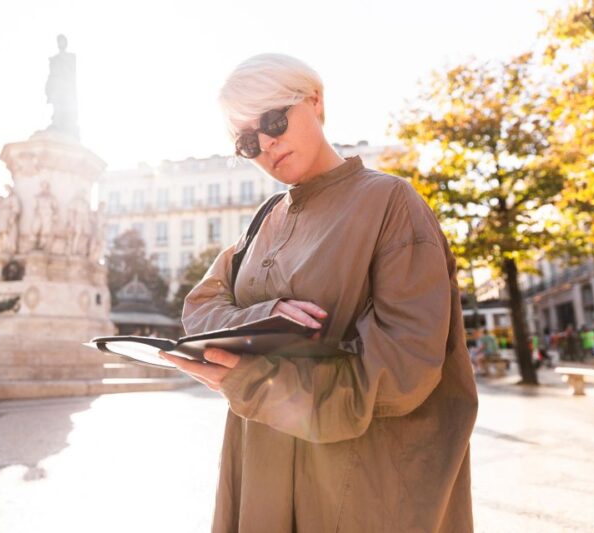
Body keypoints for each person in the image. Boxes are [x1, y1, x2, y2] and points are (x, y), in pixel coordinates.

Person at [160, 54, 478, 532]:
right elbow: (200, 306)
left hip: (359, 493)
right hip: (261, 486)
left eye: (273, 120)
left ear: (315, 100)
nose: (266, 143)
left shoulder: (391, 204)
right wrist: (266, 318)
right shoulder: (262, 221)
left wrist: (253, 381)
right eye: (247, 141)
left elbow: (400, 376)